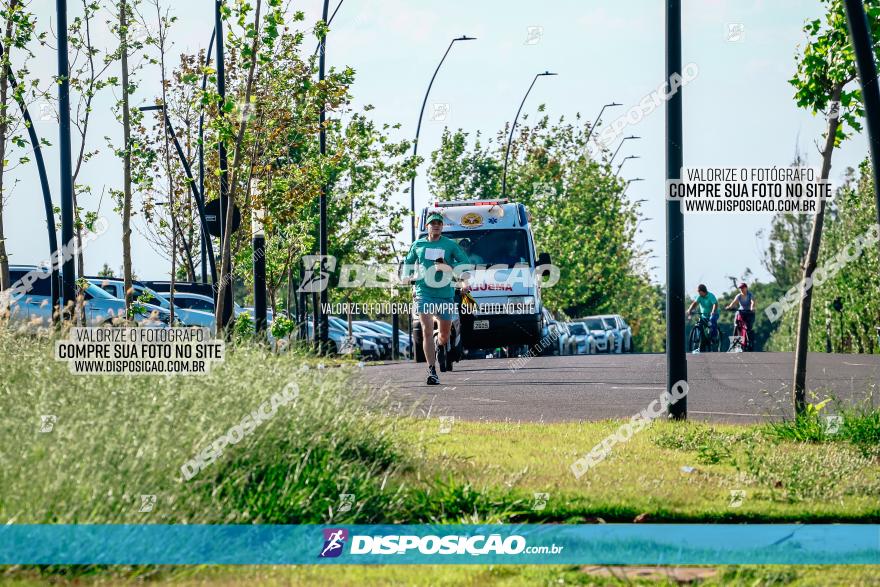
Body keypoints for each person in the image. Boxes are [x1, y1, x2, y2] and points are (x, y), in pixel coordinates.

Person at [401, 211, 471, 385]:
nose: (436, 225)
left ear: (442, 226)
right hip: (423, 291)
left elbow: (465, 264)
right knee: (425, 330)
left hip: (445, 294)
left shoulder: (450, 245)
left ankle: (441, 345)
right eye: (433, 223)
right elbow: (408, 262)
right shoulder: (418, 244)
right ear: (427, 226)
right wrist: (406, 276)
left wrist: (449, 267)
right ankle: (431, 370)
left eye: (439, 223)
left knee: (445, 334)